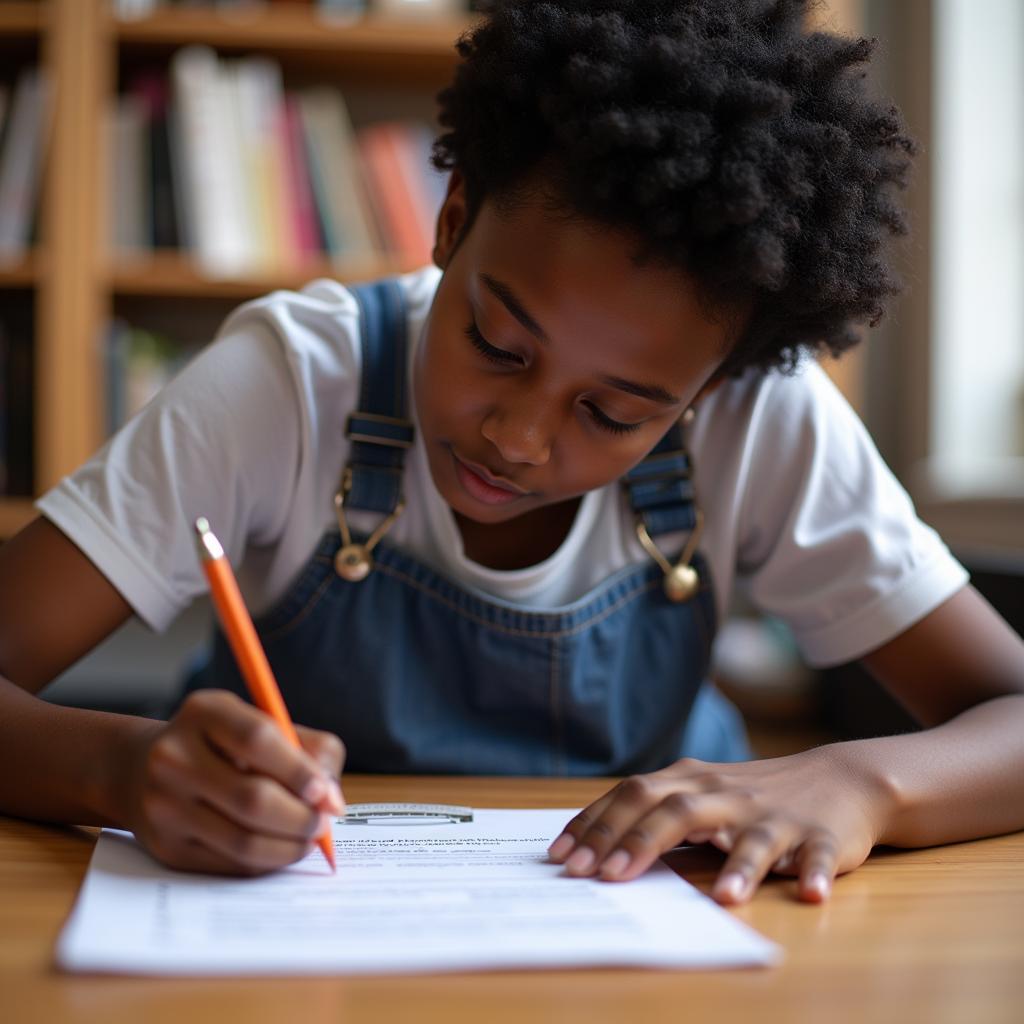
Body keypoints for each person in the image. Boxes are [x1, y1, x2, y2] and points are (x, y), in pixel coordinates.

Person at [1, 0, 1022, 904]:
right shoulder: (293, 382)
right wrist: (123, 769)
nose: (518, 436)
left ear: (708, 392)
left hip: (658, 937)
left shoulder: (760, 413)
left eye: (615, 414)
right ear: (449, 224)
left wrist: (861, 783)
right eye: (496, 344)